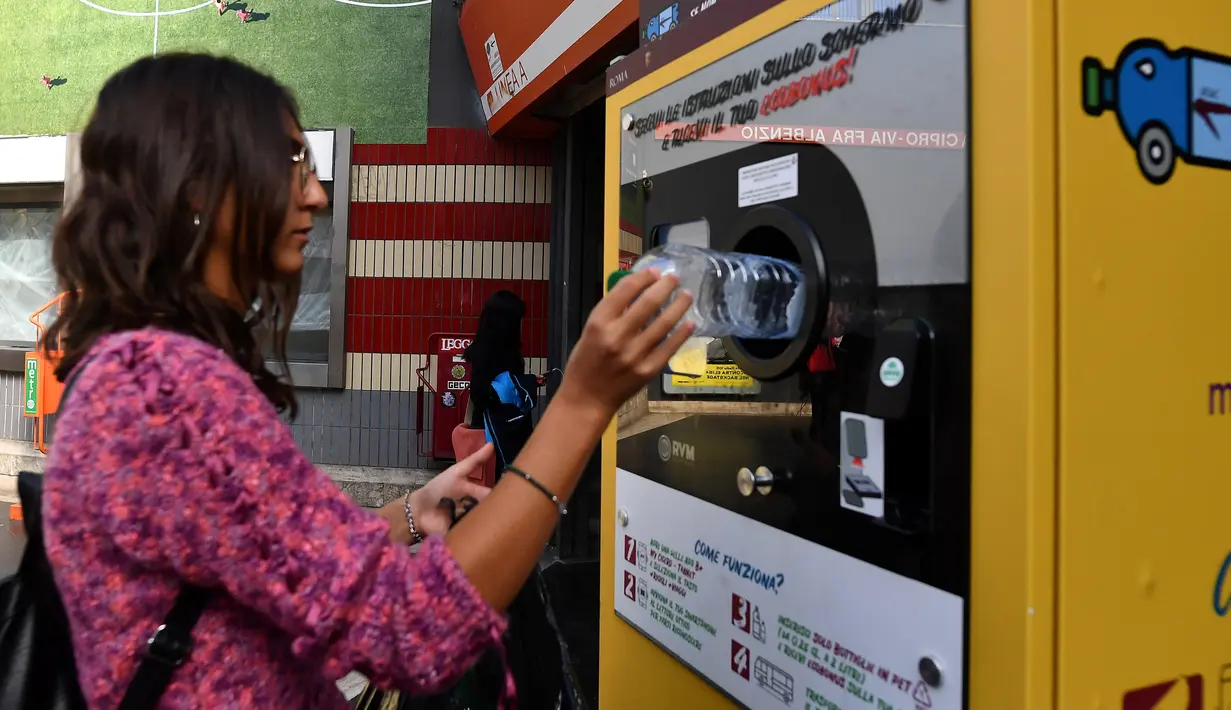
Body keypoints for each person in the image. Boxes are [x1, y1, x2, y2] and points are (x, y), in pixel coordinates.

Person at [41, 53, 695, 710]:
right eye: (291, 161)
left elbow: (271, 555)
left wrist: (409, 515)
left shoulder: (136, 370)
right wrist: (584, 403)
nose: (316, 193)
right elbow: (415, 630)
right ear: (195, 184)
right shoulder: (168, 387)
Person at [463, 290, 527, 430]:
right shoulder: (487, 351)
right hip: (493, 431)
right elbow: (479, 394)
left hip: (502, 428)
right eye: (518, 320)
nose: (520, 325)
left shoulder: (501, 348)